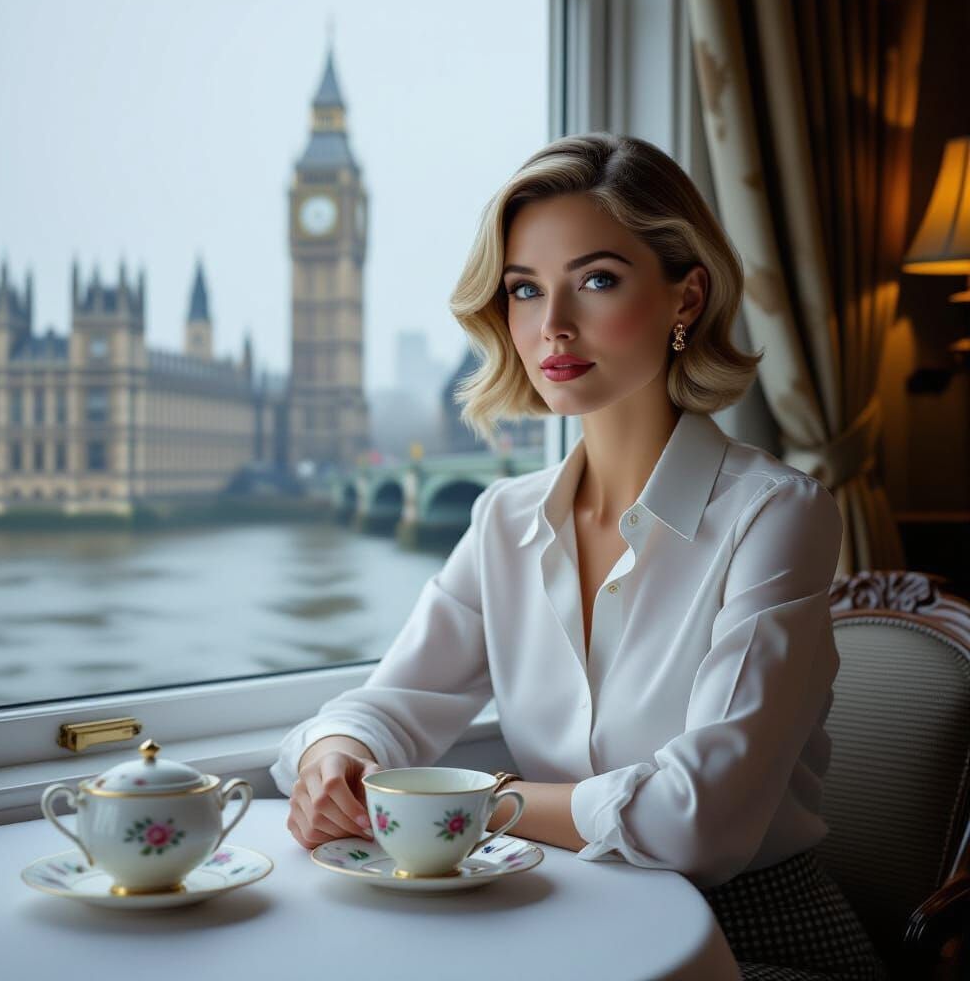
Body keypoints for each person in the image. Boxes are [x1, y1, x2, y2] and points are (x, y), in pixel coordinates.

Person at [269, 133, 886, 981]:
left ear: (686, 296)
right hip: (560, 912)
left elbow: (696, 823)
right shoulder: (502, 519)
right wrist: (330, 758)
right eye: (525, 290)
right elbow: (391, 704)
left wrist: (473, 805)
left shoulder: (777, 516)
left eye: (596, 280)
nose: (552, 325)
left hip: (751, 940)